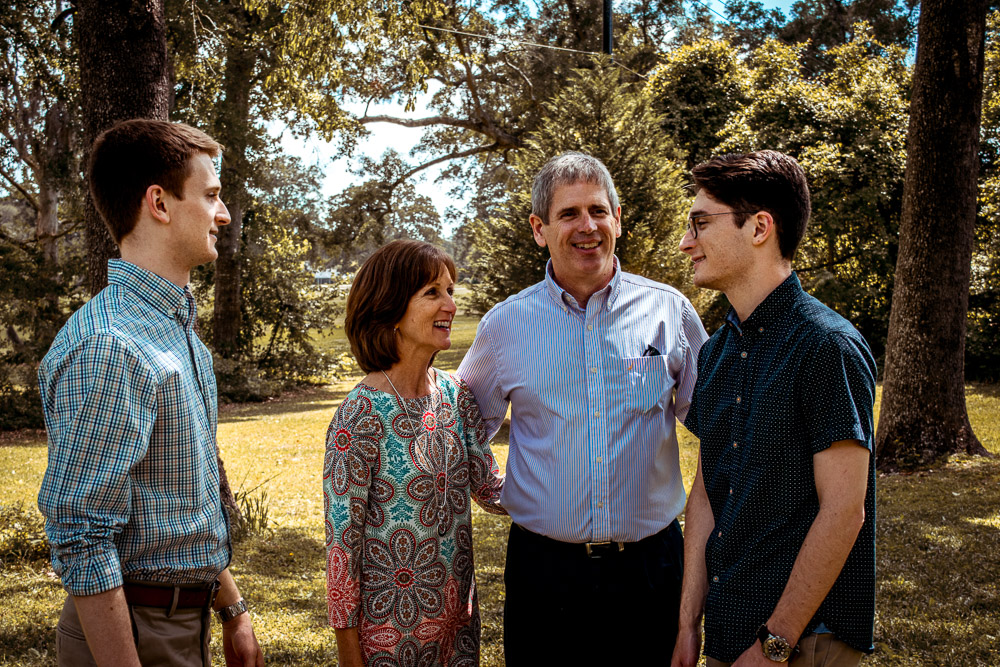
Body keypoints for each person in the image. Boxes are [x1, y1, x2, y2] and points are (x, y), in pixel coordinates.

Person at [457, 151, 708, 664]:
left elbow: (722, 428)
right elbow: (456, 432)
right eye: (569, 213)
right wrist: (496, 489)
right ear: (539, 228)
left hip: (652, 570)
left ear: (618, 220)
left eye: (598, 210)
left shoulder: (670, 311)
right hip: (544, 575)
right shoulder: (505, 327)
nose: (587, 226)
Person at [37, 119, 263, 666]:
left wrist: (232, 608)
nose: (225, 213)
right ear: (159, 203)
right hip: (132, 633)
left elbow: (186, 494)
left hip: (187, 617)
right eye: (211, 195)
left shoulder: (174, 333)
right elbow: (81, 534)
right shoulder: (110, 346)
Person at [673, 150, 877, 667]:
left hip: (805, 641)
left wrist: (776, 644)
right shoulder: (714, 353)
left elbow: (843, 511)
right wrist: (686, 621)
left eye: (700, 224)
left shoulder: (827, 347)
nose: (685, 242)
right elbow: (706, 488)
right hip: (727, 628)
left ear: (760, 227)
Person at [324, 239, 506, 666]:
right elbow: (341, 552)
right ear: (390, 310)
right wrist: (350, 657)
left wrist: (572, 486)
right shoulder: (359, 415)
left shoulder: (456, 395)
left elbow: (492, 488)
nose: (450, 305)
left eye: (450, 291)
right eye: (432, 293)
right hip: (386, 638)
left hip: (457, 630)